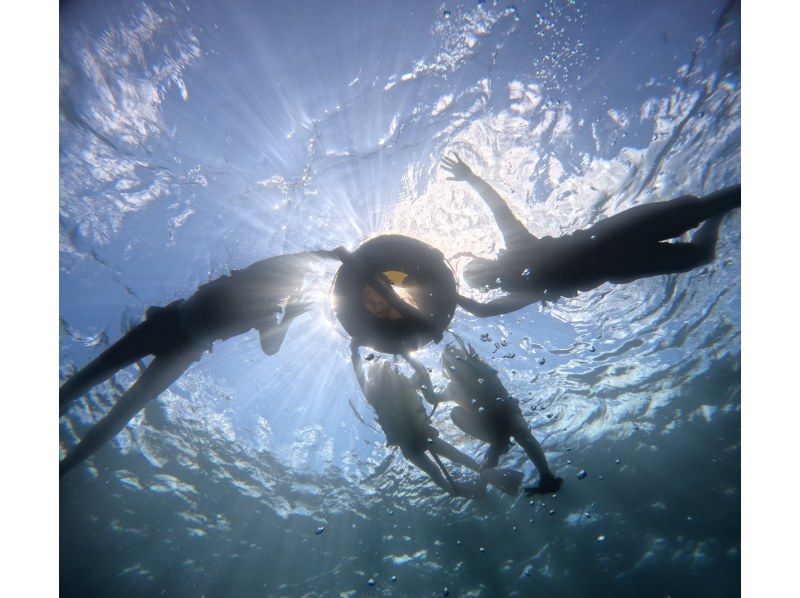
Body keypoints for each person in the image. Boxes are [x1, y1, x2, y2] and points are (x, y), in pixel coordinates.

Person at [59, 249, 343, 478]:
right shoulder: (253, 279)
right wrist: (333, 254)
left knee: (120, 405)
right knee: (98, 378)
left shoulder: (267, 308)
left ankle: (65, 467)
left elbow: (270, 347)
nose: (288, 284)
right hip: (168, 326)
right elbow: (303, 258)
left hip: (182, 348)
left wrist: (290, 317)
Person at [440, 154, 741, 317]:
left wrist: (471, 178)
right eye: (480, 275)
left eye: (479, 271)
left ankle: (718, 211)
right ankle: (717, 214)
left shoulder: (520, 257)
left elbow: (497, 208)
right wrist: (448, 294)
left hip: (614, 238)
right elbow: (485, 310)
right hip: (619, 259)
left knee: (695, 215)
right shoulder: (524, 289)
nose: (487, 273)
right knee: (699, 244)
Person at [407, 335, 562, 495]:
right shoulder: (453, 388)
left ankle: (546, 476)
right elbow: (432, 398)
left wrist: (471, 360)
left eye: (457, 357)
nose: (455, 363)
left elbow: (486, 373)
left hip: (508, 415)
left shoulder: (482, 369)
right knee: (455, 413)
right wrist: (422, 376)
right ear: (447, 369)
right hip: (490, 428)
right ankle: (497, 446)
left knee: (521, 433)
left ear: (465, 358)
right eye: (450, 362)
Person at [349, 341, 489, 499]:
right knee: (437, 469)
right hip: (410, 441)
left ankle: (484, 475)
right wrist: (355, 353)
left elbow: (422, 372)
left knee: (453, 457)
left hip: (420, 435)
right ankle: (459, 490)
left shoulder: (402, 386)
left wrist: (407, 356)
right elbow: (360, 375)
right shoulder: (375, 395)